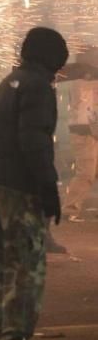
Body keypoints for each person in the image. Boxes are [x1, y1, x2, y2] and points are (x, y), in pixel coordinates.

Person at [0, 27, 68, 340]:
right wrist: (48, 187)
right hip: (20, 186)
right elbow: (35, 141)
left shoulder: (10, 81)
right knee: (26, 266)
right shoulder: (38, 86)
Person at [62, 47, 98, 222]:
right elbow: (89, 111)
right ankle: (71, 208)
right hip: (85, 132)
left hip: (88, 131)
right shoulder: (84, 83)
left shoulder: (83, 81)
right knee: (86, 172)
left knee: (90, 171)